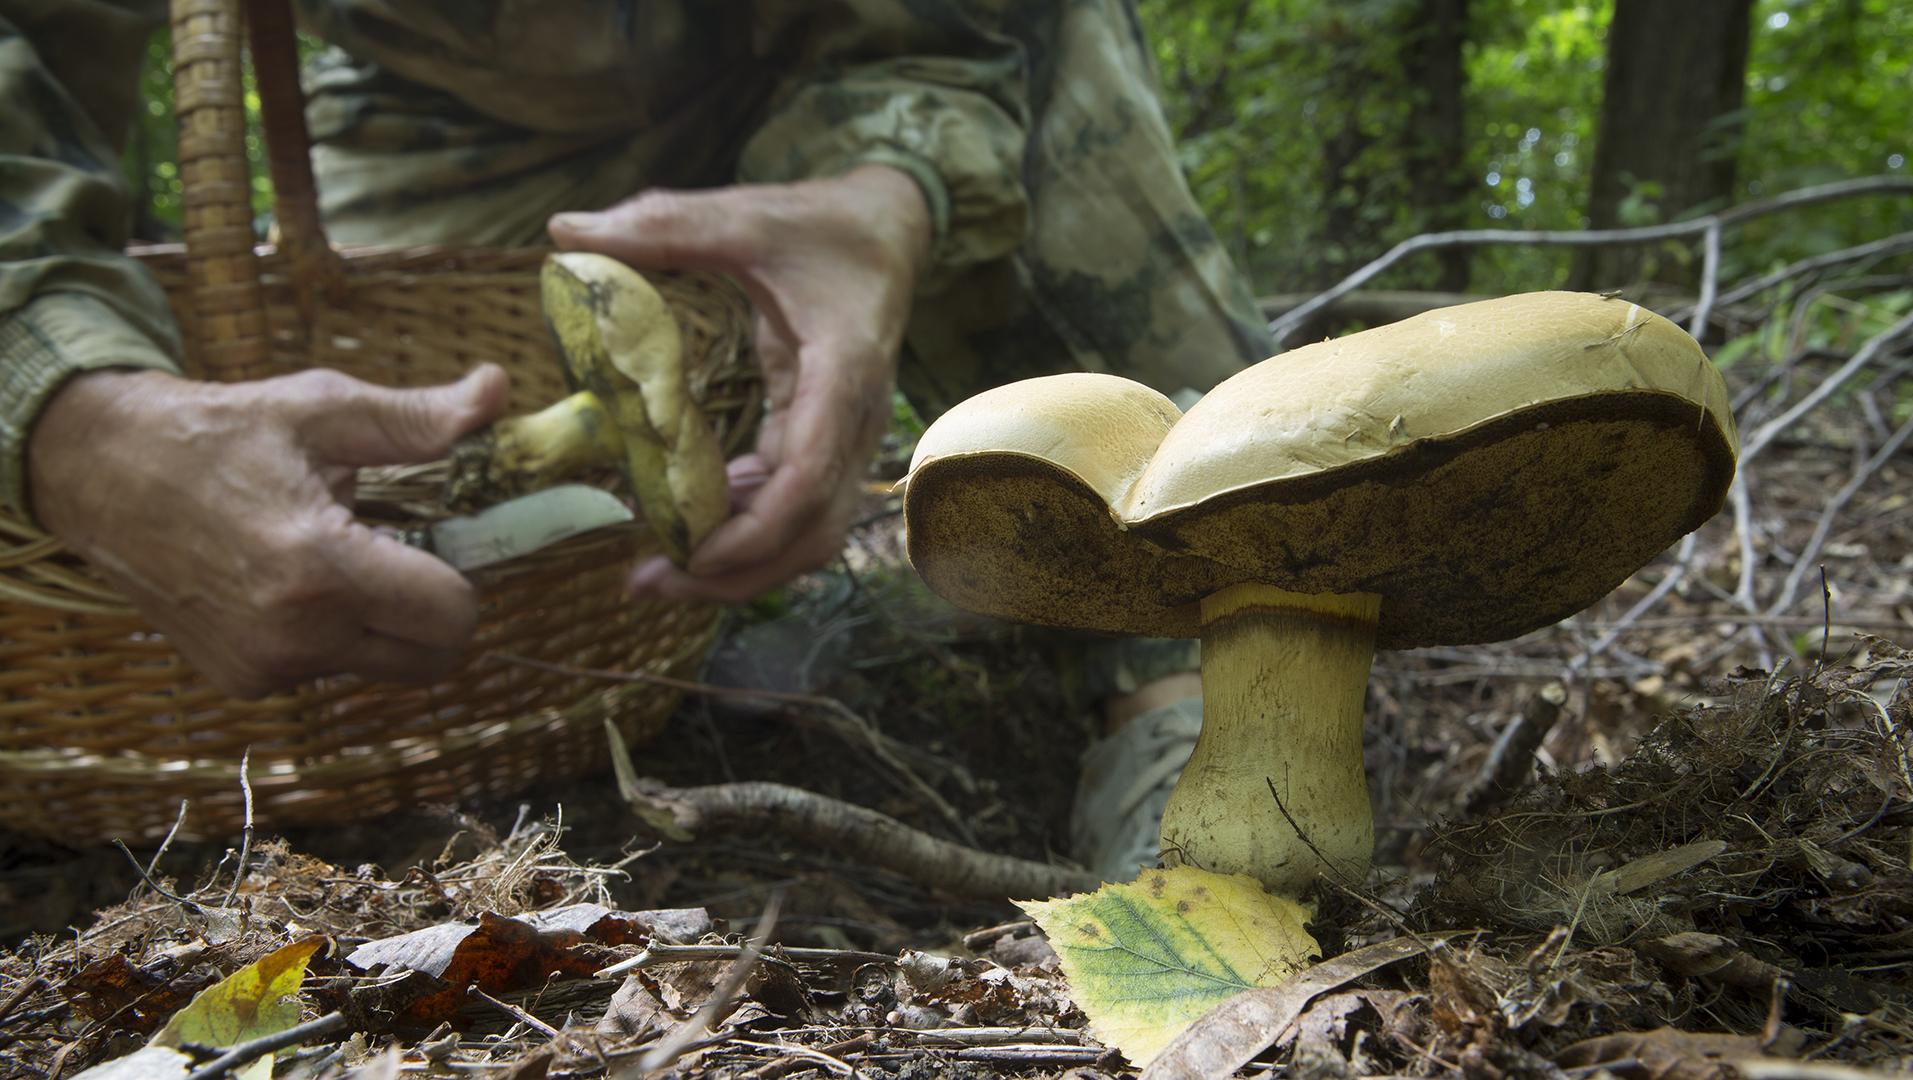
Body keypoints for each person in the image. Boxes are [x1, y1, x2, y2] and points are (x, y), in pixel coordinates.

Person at [1, 0, 1274, 877]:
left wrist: (887, 186)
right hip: (457, 104)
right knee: (317, 431)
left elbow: (935, 32)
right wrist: (69, 405)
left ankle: (1195, 676)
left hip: (886, 43)